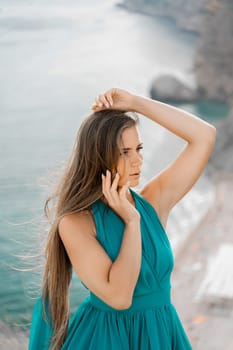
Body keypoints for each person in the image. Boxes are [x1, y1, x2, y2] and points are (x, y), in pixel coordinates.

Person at [29, 88, 216, 350]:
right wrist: (131, 222)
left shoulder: (153, 201)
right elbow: (119, 297)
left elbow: (204, 136)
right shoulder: (76, 223)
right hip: (106, 339)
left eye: (138, 148)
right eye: (124, 152)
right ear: (98, 157)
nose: (138, 160)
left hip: (163, 333)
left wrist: (135, 103)